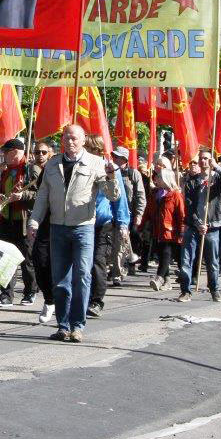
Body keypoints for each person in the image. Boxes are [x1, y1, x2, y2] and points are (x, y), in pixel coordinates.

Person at [28, 124, 120, 343]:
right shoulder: (52, 164)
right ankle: (63, 325)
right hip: (58, 227)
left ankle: (78, 325)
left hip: (83, 227)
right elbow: (42, 196)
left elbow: (112, 195)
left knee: (82, 275)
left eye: (74, 138)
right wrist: (34, 221)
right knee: (60, 280)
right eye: (66, 137)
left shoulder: (96, 163)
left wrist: (110, 177)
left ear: (83, 140)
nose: (70, 141)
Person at [179, 148, 221, 301]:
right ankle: (185, 290)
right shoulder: (192, 181)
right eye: (201, 159)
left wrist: (216, 167)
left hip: (212, 226)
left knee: (212, 261)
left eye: (206, 159)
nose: (203, 162)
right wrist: (197, 223)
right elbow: (188, 205)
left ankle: (214, 289)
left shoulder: (217, 178)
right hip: (194, 226)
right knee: (186, 260)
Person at [88, 136, 129, 317]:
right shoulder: (79, 166)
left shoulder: (110, 169)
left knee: (98, 261)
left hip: (102, 223)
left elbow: (119, 199)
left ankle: (96, 301)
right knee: (82, 263)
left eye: (91, 149)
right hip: (81, 222)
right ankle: (82, 297)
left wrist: (122, 223)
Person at [0, 138, 36, 306]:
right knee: (6, 259)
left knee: (26, 260)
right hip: (6, 219)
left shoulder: (31, 170)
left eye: (6, 152)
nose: (3, 155)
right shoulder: (5, 171)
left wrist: (23, 196)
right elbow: (3, 191)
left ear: (15, 152)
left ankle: (30, 291)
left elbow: (39, 194)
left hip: (23, 221)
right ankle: (6, 295)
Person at [140, 164, 184, 292]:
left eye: (158, 177)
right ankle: (167, 280)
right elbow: (148, 212)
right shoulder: (154, 194)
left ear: (166, 179)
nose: (156, 179)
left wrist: (181, 231)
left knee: (166, 254)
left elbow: (181, 214)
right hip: (157, 229)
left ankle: (159, 278)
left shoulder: (175, 195)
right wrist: (141, 226)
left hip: (170, 231)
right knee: (161, 255)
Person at [25, 141, 55, 324]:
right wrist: (34, 222)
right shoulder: (48, 170)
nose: (40, 155)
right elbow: (40, 196)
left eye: (44, 152)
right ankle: (50, 299)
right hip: (46, 222)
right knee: (40, 259)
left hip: (70, 223)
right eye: (38, 152)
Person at [109, 145, 145, 283]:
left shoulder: (133, 174)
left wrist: (139, 214)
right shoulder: (109, 171)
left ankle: (117, 273)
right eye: (113, 156)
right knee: (111, 243)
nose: (113, 159)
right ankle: (116, 267)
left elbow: (141, 195)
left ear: (124, 159)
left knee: (119, 244)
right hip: (110, 213)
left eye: (116, 157)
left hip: (126, 214)